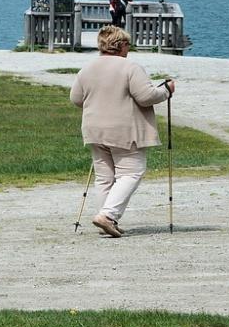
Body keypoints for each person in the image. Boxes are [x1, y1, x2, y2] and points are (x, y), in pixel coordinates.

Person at [70, 26, 175, 237]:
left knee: (105, 177)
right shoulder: (130, 67)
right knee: (131, 172)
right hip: (124, 131)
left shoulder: (87, 68)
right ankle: (107, 216)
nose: (129, 47)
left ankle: (106, 219)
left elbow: (76, 99)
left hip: (94, 130)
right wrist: (166, 90)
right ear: (120, 45)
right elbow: (146, 96)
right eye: (127, 43)